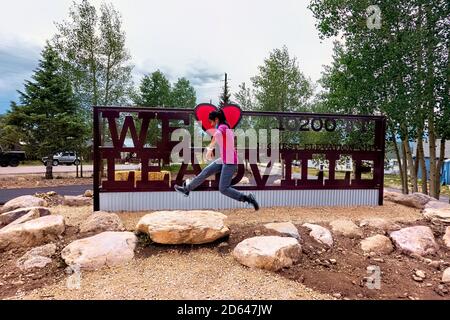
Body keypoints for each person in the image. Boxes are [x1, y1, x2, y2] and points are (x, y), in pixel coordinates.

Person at [174, 109, 259, 210]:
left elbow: (216, 135)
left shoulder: (223, 127)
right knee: (205, 172)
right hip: (224, 159)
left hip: (230, 161)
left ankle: (247, 198)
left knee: (223, 188)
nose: (211, 124)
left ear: (217, 119)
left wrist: (210, 149)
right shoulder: (224, 127)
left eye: (211, 121)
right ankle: (186, 189)